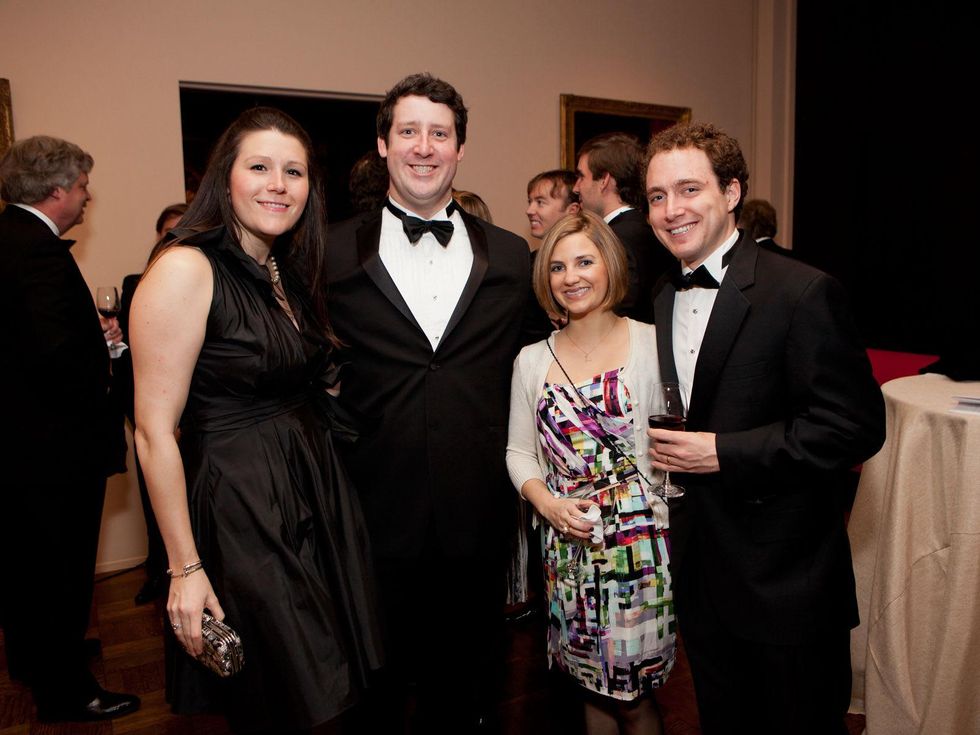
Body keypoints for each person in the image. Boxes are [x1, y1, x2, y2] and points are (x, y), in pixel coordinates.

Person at [131, 107, 381, 733]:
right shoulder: (186, 268)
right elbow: (154, 432)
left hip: (311, 487)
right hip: (242, 505)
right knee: (292, 691)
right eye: (260, 167)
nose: (279, 184)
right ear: (226, 177)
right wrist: (185, 569)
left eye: (294, 172)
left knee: (334, 685)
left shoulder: (283, 268)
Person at [643, 122, 885, 735]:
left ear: (731, 193)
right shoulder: (664, 294)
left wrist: (723, 453)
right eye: (657, 196)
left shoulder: (802, 291)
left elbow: (854, 428)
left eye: (689, 189)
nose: (671, 210)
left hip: (787, 585)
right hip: (704, 577)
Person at [324, 72, 546, 733]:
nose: (424, 147)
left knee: (469, 689)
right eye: (410, 131)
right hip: (370, 511)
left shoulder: (511, 256)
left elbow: (539, 368)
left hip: (477, 514)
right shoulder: (330, 252)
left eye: (440, 134)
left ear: (460, 148)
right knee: (373, 695)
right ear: (383, 144)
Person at [507, 210, 674, 735]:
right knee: (588, 687)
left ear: (610, 265)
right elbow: (519, 453)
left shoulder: (653, 344)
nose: (571, 277)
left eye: (584, 261)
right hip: (567, 547)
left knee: (634, 694)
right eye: (557, 267)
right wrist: (548, 504)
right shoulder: (531, 360)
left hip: (640, 548)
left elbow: (676, 444)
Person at [0, 136, 139, 722]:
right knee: (60, 570)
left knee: (29, 568)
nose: (87, 196)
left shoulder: (11, 237)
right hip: (53, 449)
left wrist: (89, 339)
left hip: (22, 446)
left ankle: (36, 661)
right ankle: (66, 693)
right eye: (82, 185)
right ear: (56, 189)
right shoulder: (36, 251)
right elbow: (54, 358)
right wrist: (104, 357)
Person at [117, 202, 187, 606]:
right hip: (151, 408)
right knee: (154, 494)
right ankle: (159, 572)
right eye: (168, 232)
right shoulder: (138, 284)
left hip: (196, 414)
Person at [573, 133, 674, 322]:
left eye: (581, 177)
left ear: (604, 180)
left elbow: (617, 315)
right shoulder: (649, 229)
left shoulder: (615, 238)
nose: (576, 188)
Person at [526, 169, 580, 245]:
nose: (529, 211)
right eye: (530, 202)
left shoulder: (583, 251)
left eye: (540, 202)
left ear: (572, 211)